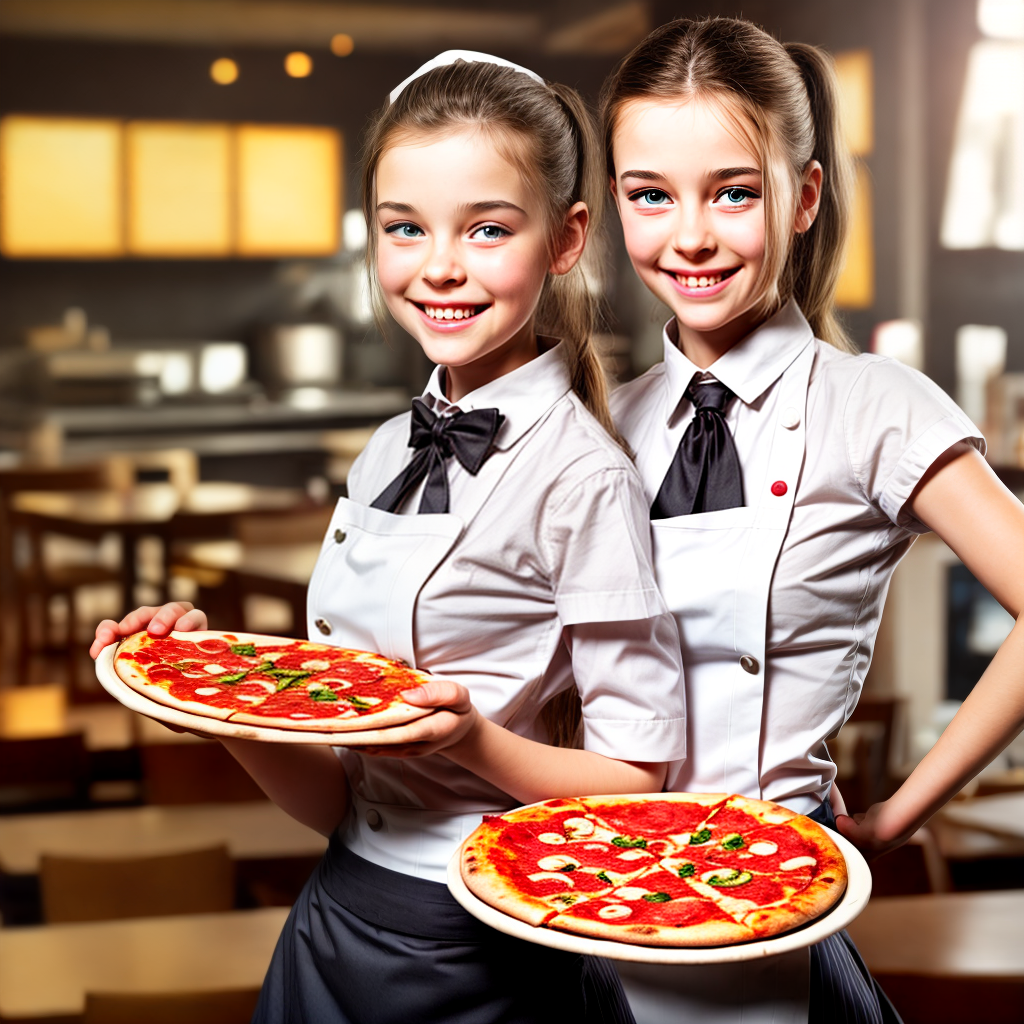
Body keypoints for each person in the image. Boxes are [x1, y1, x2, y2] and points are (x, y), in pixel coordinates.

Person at [93, 51, 688, 1024]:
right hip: (335, 921)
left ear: (567, 236)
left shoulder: (583, 477)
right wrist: (214, 695)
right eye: (402, 228)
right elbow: (340, 801)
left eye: (486, 228)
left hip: (485, 940)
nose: (438, 266)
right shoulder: (382, 450)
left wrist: (474, 740)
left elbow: (636, 782)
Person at [601, 16, 1024, 1024]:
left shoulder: (875, 404)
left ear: (805, 196)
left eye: (733, 192)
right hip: (592, 887)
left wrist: (899, 811)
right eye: (649, 195)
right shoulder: (603, 421)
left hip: (770, 898)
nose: (689, 236)